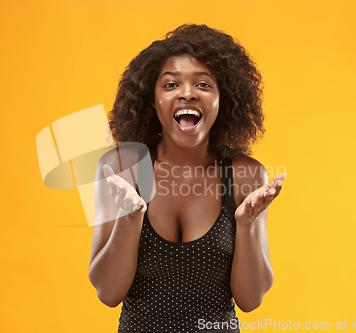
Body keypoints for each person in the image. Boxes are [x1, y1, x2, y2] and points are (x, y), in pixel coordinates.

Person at [88, 24, 287, 333]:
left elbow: (251, 300)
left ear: (223, 99)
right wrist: (130, 219)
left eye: (203, 84)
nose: (187, 93)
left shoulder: (245, 174)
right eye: (170, 85)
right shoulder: (121, 166)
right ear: (152, 100)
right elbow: (107, 293)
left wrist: (246, 225)